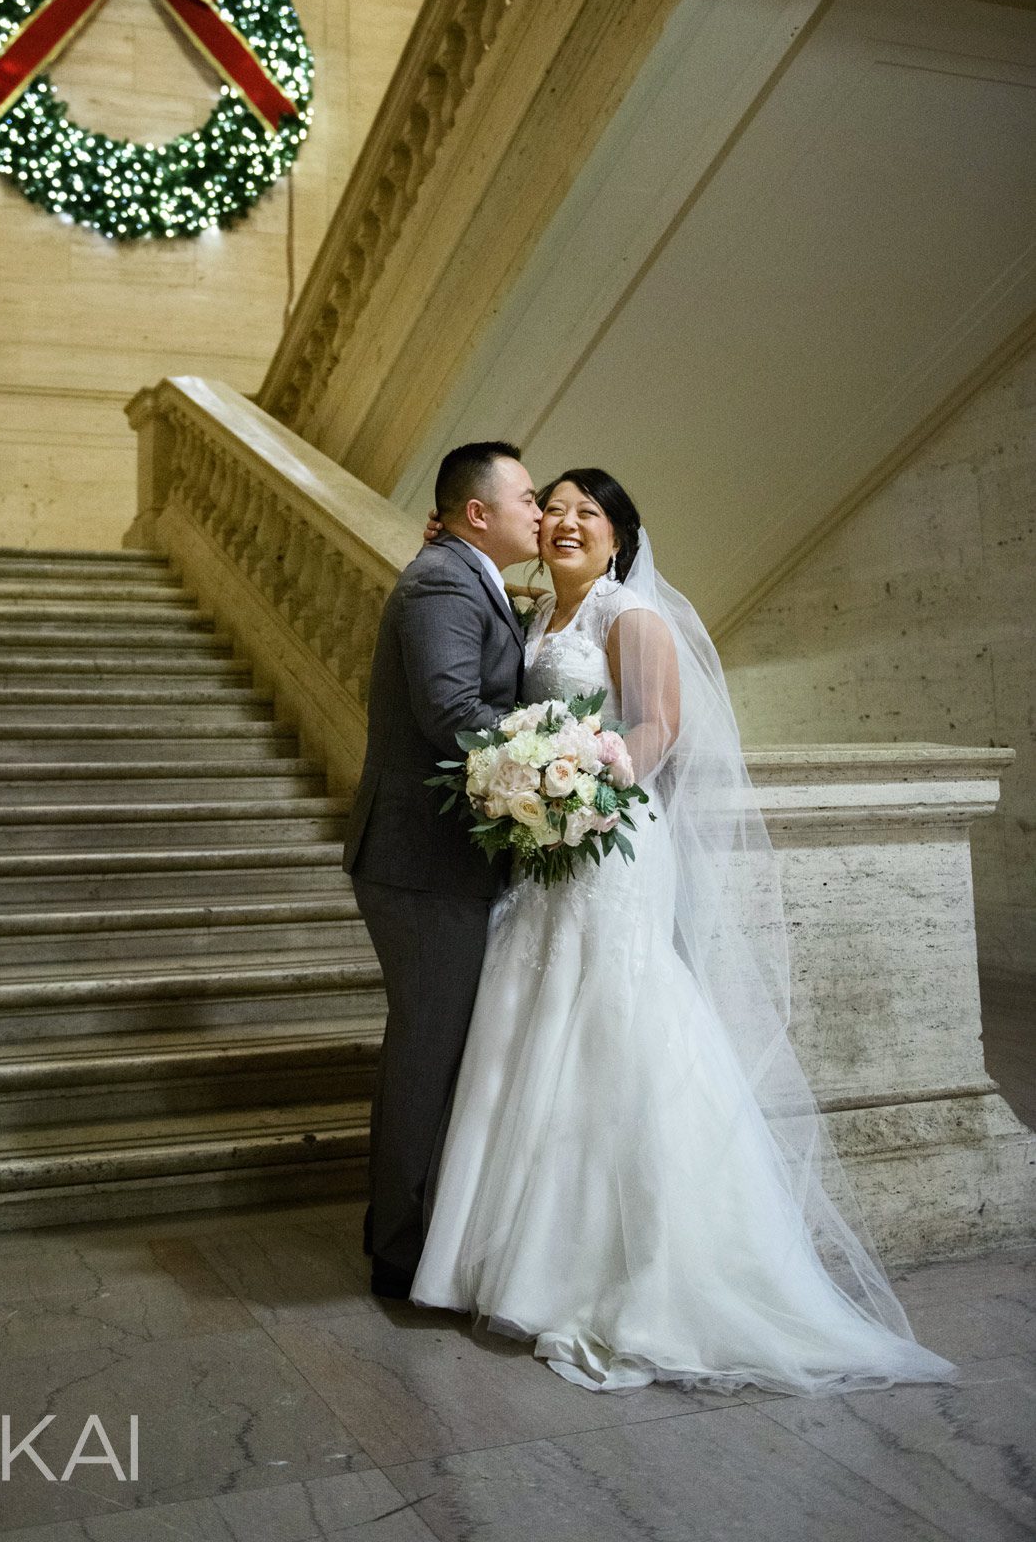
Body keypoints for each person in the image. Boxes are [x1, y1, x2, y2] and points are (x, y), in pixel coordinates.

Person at [411, 468, 955, 1393]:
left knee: (618, 1021)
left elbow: (659, 726)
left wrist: (580, 788)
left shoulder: (631, 617)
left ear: (619, 537)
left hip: (607, 841)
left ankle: (642, 1267)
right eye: (558, 510)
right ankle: (503, 1257)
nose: (568, 523)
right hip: (546, 848)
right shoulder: (532, 615)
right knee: (530, 1012)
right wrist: (533, 791)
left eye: (590, 514)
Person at [345, 440, 540, 1298]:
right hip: (422, 859)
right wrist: (559, 769)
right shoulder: (440, 581)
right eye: (529, 498)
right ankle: (398, 1250)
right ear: (477, 513)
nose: (540, 512)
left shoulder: (469, 577)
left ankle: (413, 1229)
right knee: (426, 1049)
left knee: (438, 1047)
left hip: (442, 859)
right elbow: (452, 711)